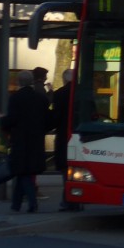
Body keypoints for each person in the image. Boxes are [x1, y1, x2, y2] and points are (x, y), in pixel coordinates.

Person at [1, 69, 50, 213]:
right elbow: (47, 119)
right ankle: (15, 204)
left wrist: (2, 119)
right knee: (24, 171)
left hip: (20, 141)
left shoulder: (15, 98)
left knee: (23, 172)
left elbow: (12, 120)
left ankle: (32, 202)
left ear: (19, 82)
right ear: (32, 81)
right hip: (36, 141)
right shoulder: (41, 98)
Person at [50, 69, 81, 211]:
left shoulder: (59, 94)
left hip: (64, 136)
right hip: (82, 136)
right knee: (78, 170)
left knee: (65, 171)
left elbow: (55, 118)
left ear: (64, 79)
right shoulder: (83, 93)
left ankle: (69, 199)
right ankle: (76, 199)